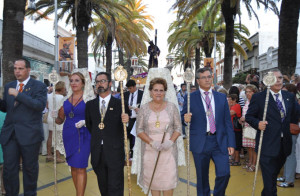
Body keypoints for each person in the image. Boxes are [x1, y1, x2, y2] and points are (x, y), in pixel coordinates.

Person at [131, 68, 186, 195]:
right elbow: (139, 130)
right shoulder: (144, 109)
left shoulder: (172, 108)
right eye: (155, 90)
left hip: (168, 152)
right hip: (150, 152)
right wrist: (152, 142)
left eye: (161, 90)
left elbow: (178, 128)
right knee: (153, 185)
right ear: (150, 92)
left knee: (168, 185)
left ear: (165, 92)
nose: (158, 93)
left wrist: (170, 142)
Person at [245, 69, 300, 196]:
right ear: (267, 81)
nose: (278, 80)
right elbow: (249, 116)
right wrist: (257, 124)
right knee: (270, 183)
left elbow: (296, 114)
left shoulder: (289, 97)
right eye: (274, 78)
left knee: (271, 179)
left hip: (284, 146)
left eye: (280, 78)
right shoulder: (259, 98)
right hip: (266, 145)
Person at [183, 67, 235, 196]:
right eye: (204, 77)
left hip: (219, 141)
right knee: (202, 178)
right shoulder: (190, 97)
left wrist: (231, 143)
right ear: (197, 80)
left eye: (209, 76)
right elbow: (183, 116)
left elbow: (227, 122)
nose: (207, 79)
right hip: (200, 142)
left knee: (224, 173)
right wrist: (185, 119)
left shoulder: (221, 97)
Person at [0, 58, 47, 195]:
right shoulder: (9, 85)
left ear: (28, 69)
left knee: (30, 169)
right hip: (10, 135)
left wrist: (18, 95)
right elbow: (6, 108)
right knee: (9, 169)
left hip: (30, 135)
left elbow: (39, 106)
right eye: (15, 68)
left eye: (20, 68)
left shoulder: (39, 86)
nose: (17, 71)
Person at [85, 72, 129, 196]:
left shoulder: (120, 104)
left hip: (115, 152)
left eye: (103, 81)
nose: (100, 84)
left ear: (110, 83)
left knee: (115, 187)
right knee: (103, 187)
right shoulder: (90, 105)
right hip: (98, 152)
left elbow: (125, 128)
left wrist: (126, 121)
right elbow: (90, 126)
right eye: (97, 82)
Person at [55, 70, 95, 196]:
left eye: (77, 80)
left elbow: (96, 119)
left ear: (83, 83)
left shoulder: (89, 98)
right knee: (73, 166)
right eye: (71, 80)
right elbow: (60, 120)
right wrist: (54, 116)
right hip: (68, 135)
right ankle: (78, 192)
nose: (73, 83)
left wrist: (85, 121)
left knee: (81, 166)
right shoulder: (65, 100)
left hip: (83, 134)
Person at [277, 83, 299, 187]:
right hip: (287, 131)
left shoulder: (293, 103)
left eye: (285, 91)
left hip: (290, 131)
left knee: (290, 155)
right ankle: (286, 176)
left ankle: (289, 180)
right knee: (287, 154)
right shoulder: (290, 102)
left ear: (291, 93)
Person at [239, 84, 258, 172]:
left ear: (254, 92)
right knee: (249, 147)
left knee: (254, 148)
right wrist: (241, 119)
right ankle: (250, 162)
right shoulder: (247, 102)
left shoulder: (257, 102)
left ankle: (254, 164)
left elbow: (257, 115)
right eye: (246, 92)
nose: (247, 94)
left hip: (253, 127)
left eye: (250, 92)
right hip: (246, 127)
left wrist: (245, 118)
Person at [46, 81, 66, 163]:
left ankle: (49, 155)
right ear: (62, 88)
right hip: (58, 118)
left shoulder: (49, 96)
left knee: (50, 136)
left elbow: (47, 106)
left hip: (50, 117)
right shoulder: (62, 98)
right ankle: (57, 157)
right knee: (58, 137)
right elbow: (63, 109)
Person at [124, 79, 143, 159]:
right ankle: (128, 151)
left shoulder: (142, 94)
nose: (129, 90)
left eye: (131, 88)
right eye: (128, 88)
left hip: (137, 118)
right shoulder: (125, 94)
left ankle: (133, 151)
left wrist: (139, 109)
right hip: (128, 118)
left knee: (134, 136)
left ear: (135, 86)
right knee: (127, 135)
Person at [228, 94, 242, 166]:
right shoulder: (232, 106)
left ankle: (237, 160)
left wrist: (229, 106)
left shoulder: (237, 106)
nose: (228, 100)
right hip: (232, 128)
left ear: (234, 100)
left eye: (230, 99)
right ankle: (233, 158)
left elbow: (229, 113)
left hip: (236, 128)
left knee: (236, 144)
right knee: (233, 143)